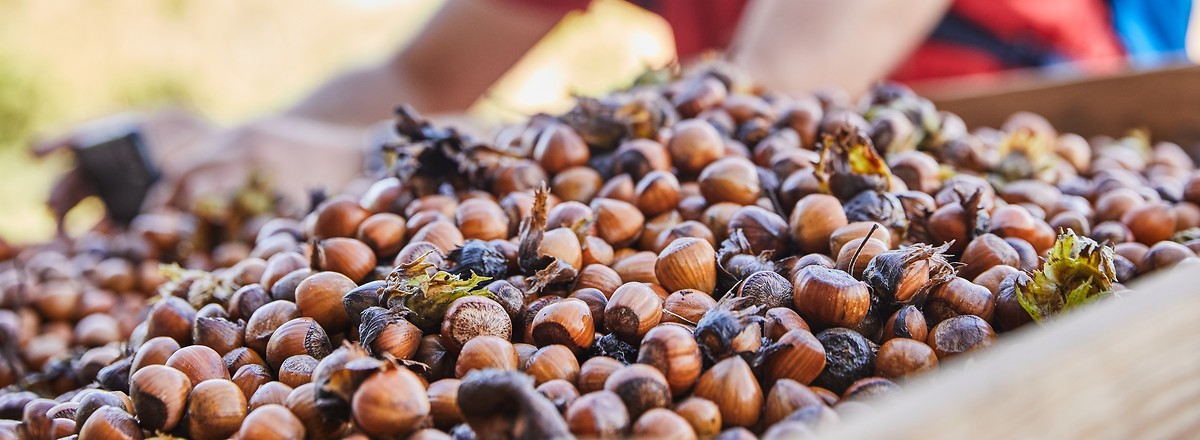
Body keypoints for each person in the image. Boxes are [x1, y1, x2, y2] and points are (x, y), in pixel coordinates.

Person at [35, 0, 1195, 227]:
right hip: (716, 215)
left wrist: (362, 158)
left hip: (981, 186)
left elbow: (763, 96)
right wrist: (220, 140)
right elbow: (424, 73)